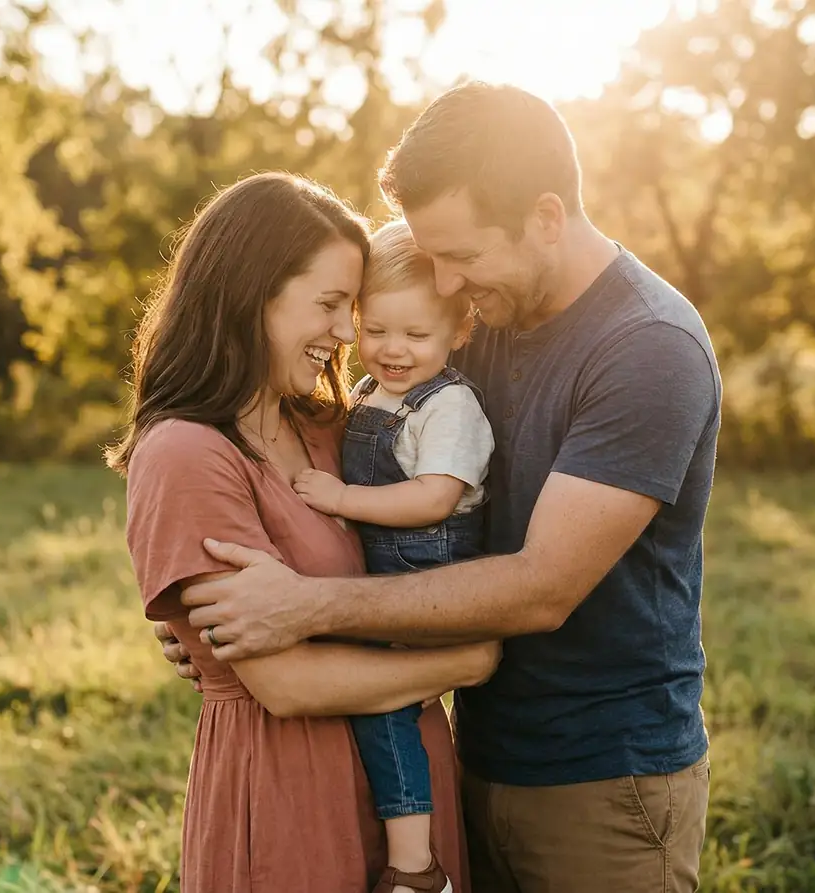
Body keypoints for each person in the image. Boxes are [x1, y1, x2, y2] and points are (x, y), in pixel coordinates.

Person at [158, 83, 723, 892]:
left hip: (605, 776)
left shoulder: (647, 349)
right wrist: (209, 618)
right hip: (468, 746)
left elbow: (541, 589)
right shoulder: (476, 318)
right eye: (433, 259)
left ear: (546, 218)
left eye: (461, 256)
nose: (447, 284)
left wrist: (301, 608)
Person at [107, 170, 498, 893]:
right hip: (289, 791)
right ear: (250, 292)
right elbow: (282, 683)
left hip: (408, 788)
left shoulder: (332, 429)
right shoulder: (186, 451)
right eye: (328, 305)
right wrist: (465, 663)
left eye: (351, 307)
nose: (347, 332)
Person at [290, 218, 495, 892]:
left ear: (458, 333)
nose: (393, 350)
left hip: (428, 572)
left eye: (416, 335)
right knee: (368, 691)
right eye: (376, 330)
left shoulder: (451, 405)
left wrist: (343, 498)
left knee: (381, 701)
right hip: (387, 571)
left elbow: (435, 498)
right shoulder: (373, 395)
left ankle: (415, 867)